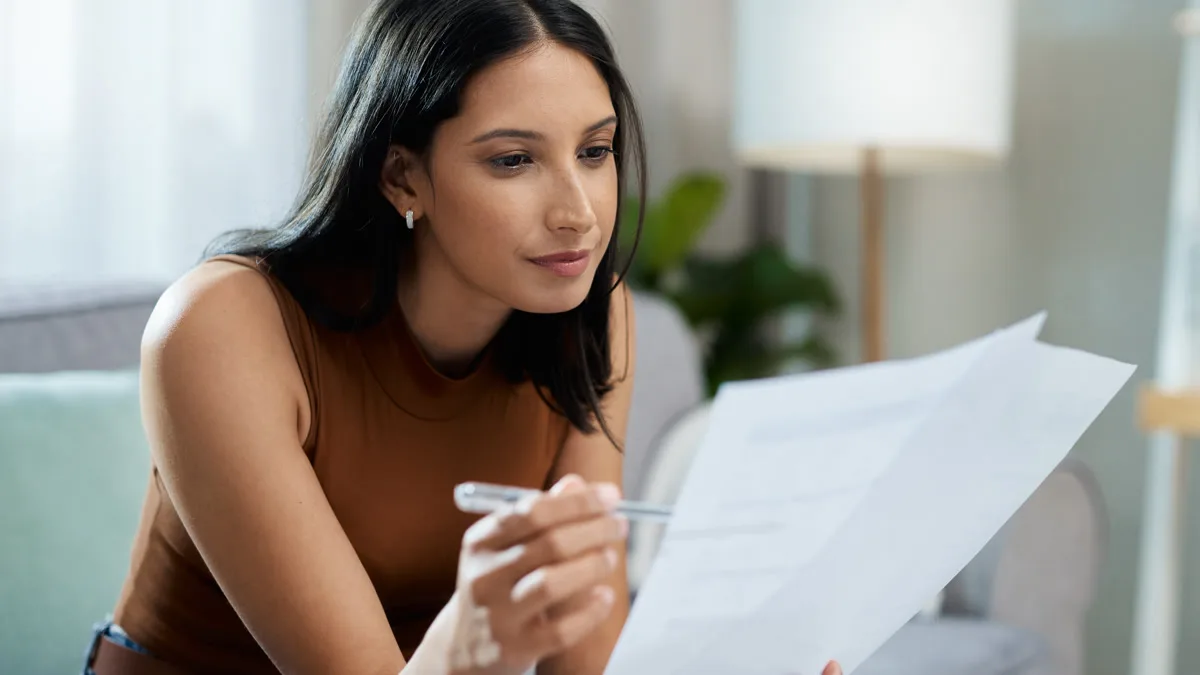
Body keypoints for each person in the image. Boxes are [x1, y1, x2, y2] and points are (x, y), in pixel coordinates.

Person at [82, 1, 844, 673]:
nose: (578, 211)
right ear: (401, 178)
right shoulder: (222, 329)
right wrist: (469, 645)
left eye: (595, 150)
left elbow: (582, 664)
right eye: (514, 160)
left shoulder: (593, 317)